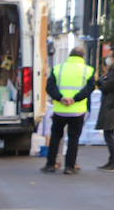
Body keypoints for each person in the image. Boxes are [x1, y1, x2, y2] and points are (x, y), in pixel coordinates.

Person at [41, 44, 96, 175]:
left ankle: (50, 164)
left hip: (60, 110)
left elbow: (49, 87)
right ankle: (69, 167)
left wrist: (61, 98)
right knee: (73, 138)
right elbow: (90, 88)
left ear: (69, 55)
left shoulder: (58, 69)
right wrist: (75, 99)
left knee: (55, 137)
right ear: (83, 56)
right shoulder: (88, 70)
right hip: (77, 111)